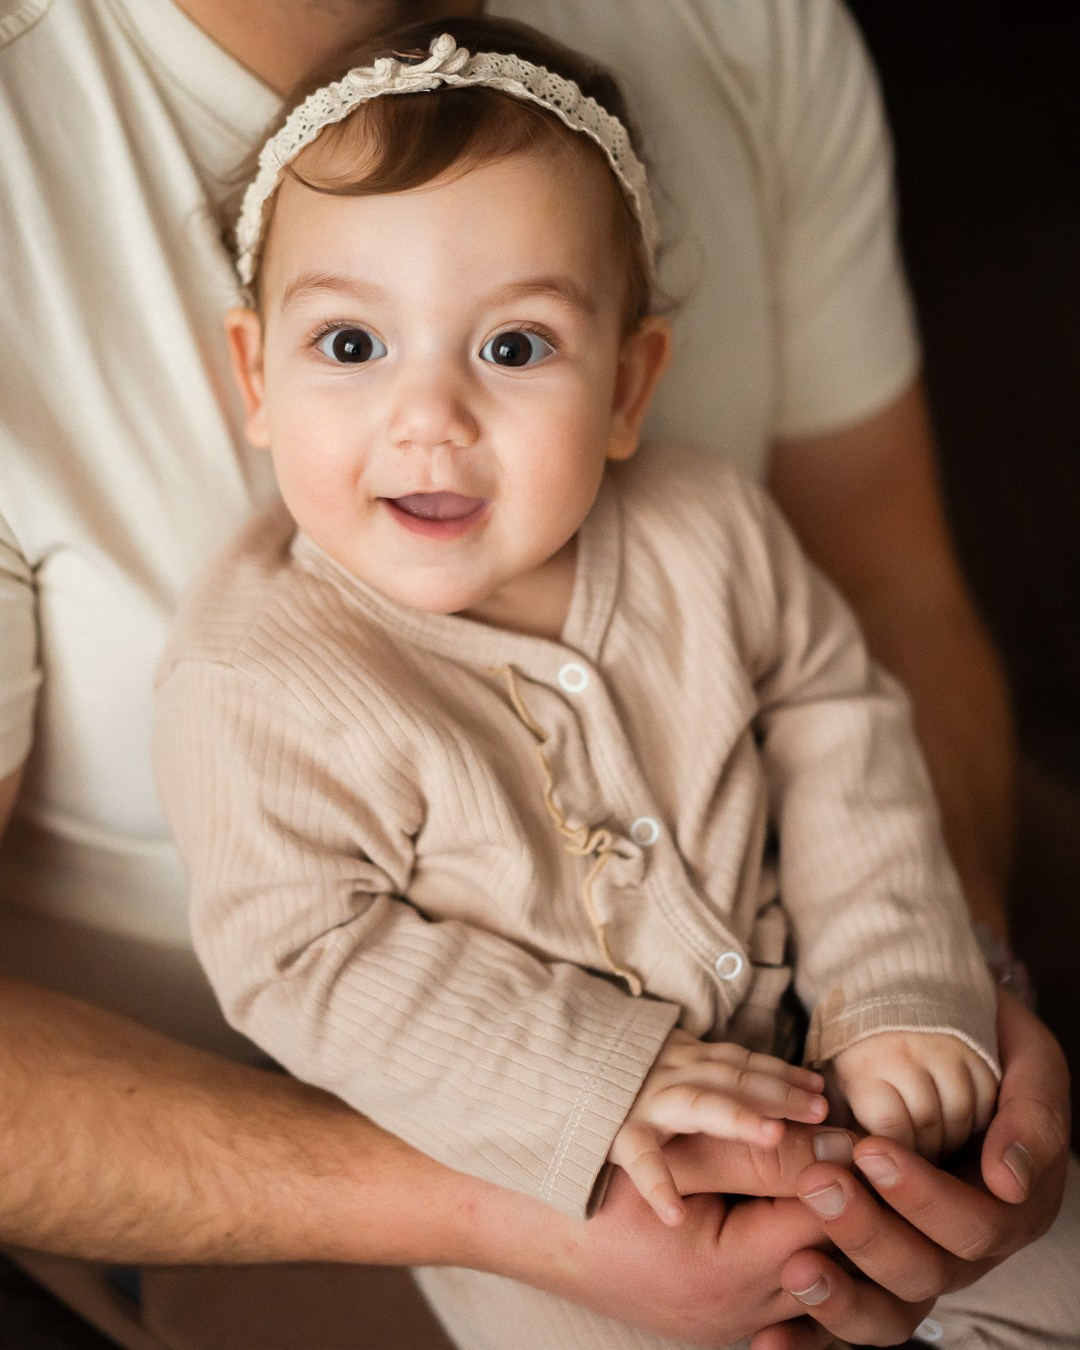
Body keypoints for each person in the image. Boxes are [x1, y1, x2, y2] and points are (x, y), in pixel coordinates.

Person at [0, 1, 1070, 1348]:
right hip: (532, 1188)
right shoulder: (255, 673)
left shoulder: (708, 532)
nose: (429, 416)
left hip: (842, 1080)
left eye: (514, 348)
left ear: (631, 385)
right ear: (252, 373)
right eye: (349, 345)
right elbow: (306, 950)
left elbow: (844, 712)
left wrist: (916, 984)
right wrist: (600, 1089)